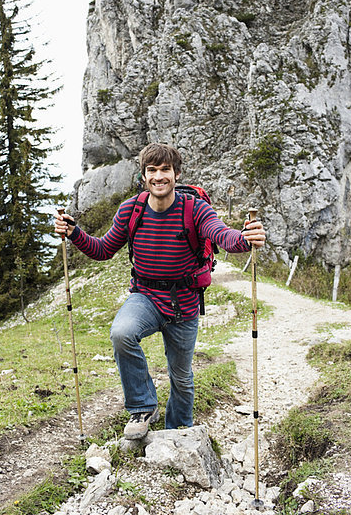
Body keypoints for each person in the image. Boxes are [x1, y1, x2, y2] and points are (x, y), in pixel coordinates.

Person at [55, 143, 265, 440]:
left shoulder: (195, 209)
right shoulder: (132, 210)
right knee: (121, 333)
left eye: (165, 170)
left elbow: (221, 234)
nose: (158, 176)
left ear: (176, 174)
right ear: (144, 176)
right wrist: (74, 232)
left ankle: (178, 432)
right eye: (152, 170)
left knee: (181, 375)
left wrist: (245, 239)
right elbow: (102, 250)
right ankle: (142, 407)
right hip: (145, 297)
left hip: (185, 303)